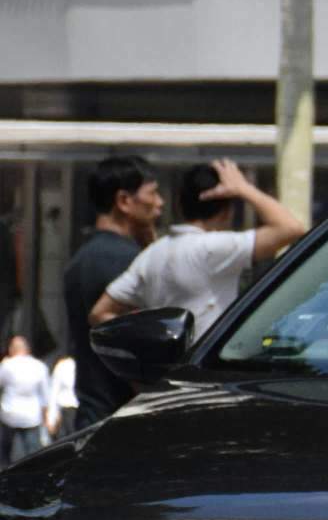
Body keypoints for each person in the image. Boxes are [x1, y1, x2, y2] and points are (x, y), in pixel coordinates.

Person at [94, 158, 310, 338]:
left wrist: (150, 345)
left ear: (180, 204)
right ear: (227, 211)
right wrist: (244, 189)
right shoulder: (215, 248)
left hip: (165, 374)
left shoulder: (152, 254)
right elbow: (291, 228)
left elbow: (100, 313)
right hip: (206, 372)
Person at [60, 153, 160, 432]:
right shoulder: (128, 263)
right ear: (124, 201)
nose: (159, 203)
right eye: (152, 193)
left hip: (91, 416)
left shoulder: (80, 259)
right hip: (124, 422)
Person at [0, 334, 47, 462]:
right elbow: (44, 395)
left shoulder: (7, 365)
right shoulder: (39, 366)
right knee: (32, 454)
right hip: (32, 415)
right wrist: (46, 418)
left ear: (11, 349)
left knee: (4, 453)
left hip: (9, 413)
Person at [44, 345, 74, 441]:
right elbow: (54, 392)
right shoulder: (63, 365)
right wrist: (51, 418)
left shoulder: (88, 365)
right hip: (67, 410)